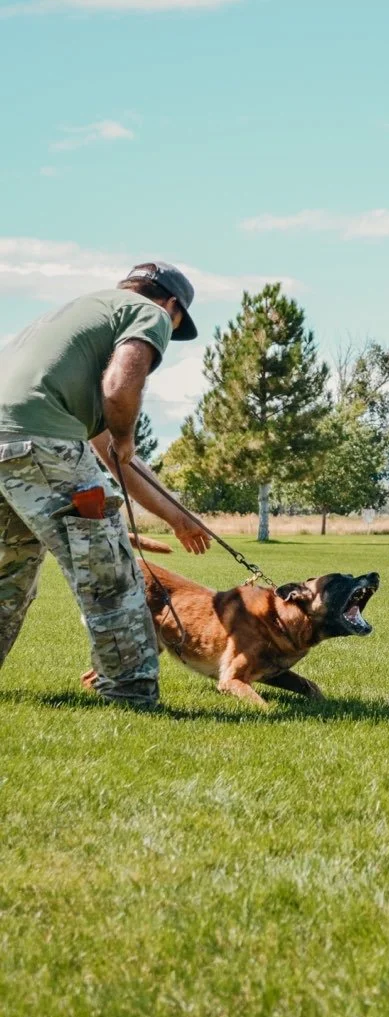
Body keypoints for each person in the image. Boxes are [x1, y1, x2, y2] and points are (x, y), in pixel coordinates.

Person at [0, 261, 211, 707]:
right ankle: (130, 693)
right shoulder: (147, 312)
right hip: (42, 443)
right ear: (170, 304)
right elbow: (120, 390)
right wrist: (125, 433)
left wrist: (178, 518)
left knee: (8, 576)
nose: (168, 334)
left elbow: (115, 460)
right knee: (110, 573)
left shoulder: (75, 316)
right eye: (175, 325)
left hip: (10, 443)